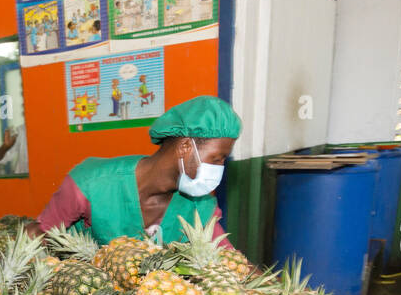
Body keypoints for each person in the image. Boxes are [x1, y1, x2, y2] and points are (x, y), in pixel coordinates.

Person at [30, 95, 242, 246]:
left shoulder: (201, 206)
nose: (219, 169)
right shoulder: (91, 183)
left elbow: (227, 260)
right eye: (216, 159)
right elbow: (38, 235)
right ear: (186, 147)